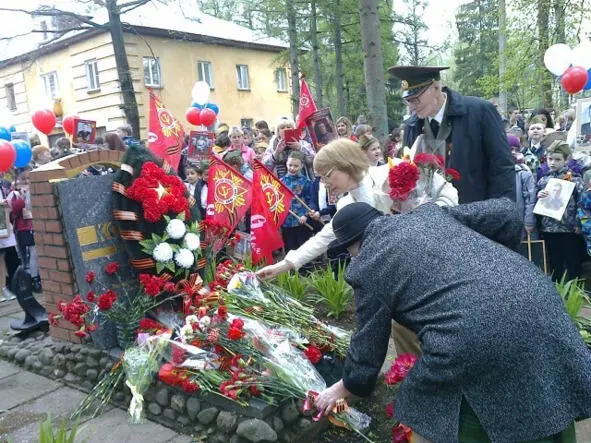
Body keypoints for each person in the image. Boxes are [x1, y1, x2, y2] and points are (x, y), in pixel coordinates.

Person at [313, 200, 591, 442]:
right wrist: (498, 269)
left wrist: (345, 387)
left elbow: (367, 349)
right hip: (537, 293)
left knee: (417, 405)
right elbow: (507, 213)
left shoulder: (367, 264)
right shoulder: (429, 215)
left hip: (472, 328)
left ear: (351, 245)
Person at [257, 138, 457, 279]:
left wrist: (435, 214)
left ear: (344, 164)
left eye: (327, 175)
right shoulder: (346, 205)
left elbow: (446, 190)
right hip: (401, 272)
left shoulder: (392, 170)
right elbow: (324, 238)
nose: (325, 184)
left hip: (439, 255)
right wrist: (284, 265)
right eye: (321, 178)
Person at [393, 65, 515, 203]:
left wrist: (499, 213)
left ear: (435, 88)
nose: (411, 107)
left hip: (475, 214)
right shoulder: (412, 126)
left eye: (415, 99)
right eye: (407, 101)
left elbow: (502, 167)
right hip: (431, 218)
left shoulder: (480, 112)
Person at [536, 140, 584, 281]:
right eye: (550, 159)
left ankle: (575, 295)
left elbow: (581, 204)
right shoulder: (543, 180)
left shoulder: (575, 180)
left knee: (572, 263)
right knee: (555, 264)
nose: (553, 162)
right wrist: (539, 196)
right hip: (549, 228)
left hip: (569, 229)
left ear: (566, 160)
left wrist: (577, 223)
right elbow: (537, 205)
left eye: (557, 159)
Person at [8, 167, 41, 293]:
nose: (27, 181)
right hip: (23, 227)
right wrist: (21, 196)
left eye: (29, 178)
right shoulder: (14, 193)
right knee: (30, 252)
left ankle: (37, 277)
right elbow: (15, 212)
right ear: (18, 179)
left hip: (36, 224)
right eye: (24, 178)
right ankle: (33, 279)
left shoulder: (35, 188)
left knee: (36, 252)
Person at [280, 151, 316, 253]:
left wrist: (306, 215)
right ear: (286, 164)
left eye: (296, 166)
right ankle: (290, 268)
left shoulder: (306, 182)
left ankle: (305, 268)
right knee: (289, 248)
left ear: (301, 166)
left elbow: (311, 202)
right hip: (286, 221)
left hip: (301, 221)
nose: (292, 168)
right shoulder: (280, 181)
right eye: (290, 165)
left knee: (302, 248)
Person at [508, 135, 536, 239]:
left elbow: (530, 199)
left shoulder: (524, 173)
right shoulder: (495, 171)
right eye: (510, 149)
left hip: (519, 220)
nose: (513, 152)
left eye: (516, 149)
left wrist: (529, 222)